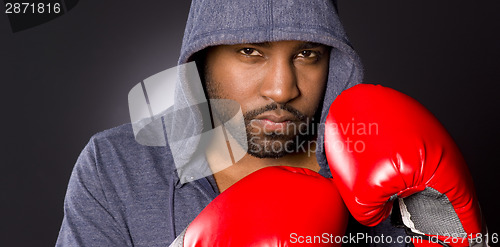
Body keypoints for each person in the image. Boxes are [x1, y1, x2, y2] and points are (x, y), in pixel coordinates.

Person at [56, 0, 485, 246]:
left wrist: (438, 222)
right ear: (203, 59)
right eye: (250, 52)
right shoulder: (116, 168)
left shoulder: (392, 164)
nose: (282, 90)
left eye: (307, 54)